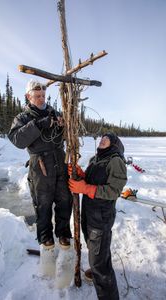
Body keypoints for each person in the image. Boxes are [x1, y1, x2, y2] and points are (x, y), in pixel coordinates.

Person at [8, 79, 72, 250]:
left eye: (43, 95)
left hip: (60, 161)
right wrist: (37, 124)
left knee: (65, 200)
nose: (42, 99)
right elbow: (17, 139)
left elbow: (66, 135)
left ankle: (64, 234)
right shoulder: (23, 117)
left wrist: (62, 125)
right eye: (37, 96)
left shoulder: (54, 112)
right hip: (40, 165)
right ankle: (46, 240)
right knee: (43, 204)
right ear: (29, 97)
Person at [68, 132, 127, 300]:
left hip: (101, 218)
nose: (102, 140)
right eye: (101, 138)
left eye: (106, 139)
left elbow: (114, 191)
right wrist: (81, 174)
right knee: (97, 251)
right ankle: (98, 270)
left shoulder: (116, 161)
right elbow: (93, 180)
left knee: (99, 264)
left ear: (114, 144)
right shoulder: (96, 159)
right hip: (90, 214)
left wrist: (85, 189)